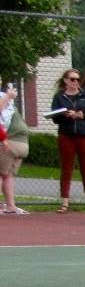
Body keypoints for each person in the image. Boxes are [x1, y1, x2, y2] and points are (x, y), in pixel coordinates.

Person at [51, 69, 85, 214]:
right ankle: (65, 203)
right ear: (65, 80)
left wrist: (79, 115)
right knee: (66, 169)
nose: (75, 82)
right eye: (72, 79)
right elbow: (54, 118)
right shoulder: (59, 97)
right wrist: (65, 115)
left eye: (77, 79)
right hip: (66, 136)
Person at [0, 84, 27, 216]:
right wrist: (8, 96)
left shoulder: (3, 96)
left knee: (8, 175)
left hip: (13, 142)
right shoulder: (4, 97)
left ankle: (11, 206)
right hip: (4, 140)